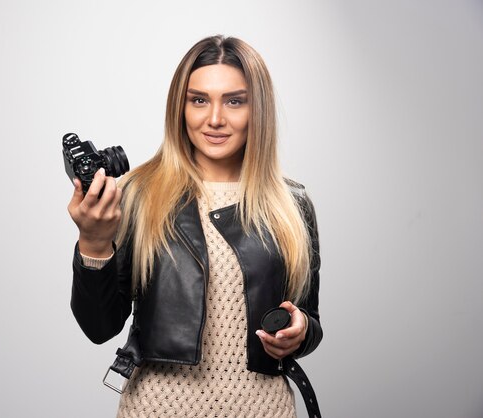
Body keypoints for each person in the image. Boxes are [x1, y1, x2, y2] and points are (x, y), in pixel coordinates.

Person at [67, 35, 322, 418]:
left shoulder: (292, 204)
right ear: (180, 107)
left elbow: (309, 319)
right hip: (156, 410)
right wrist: (93, 241)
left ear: (259, 110)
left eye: (235, 101)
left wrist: (299, 331)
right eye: (198, 100)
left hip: (263, 410)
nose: (214, 118)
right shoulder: (140, 194)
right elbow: (99, 327)